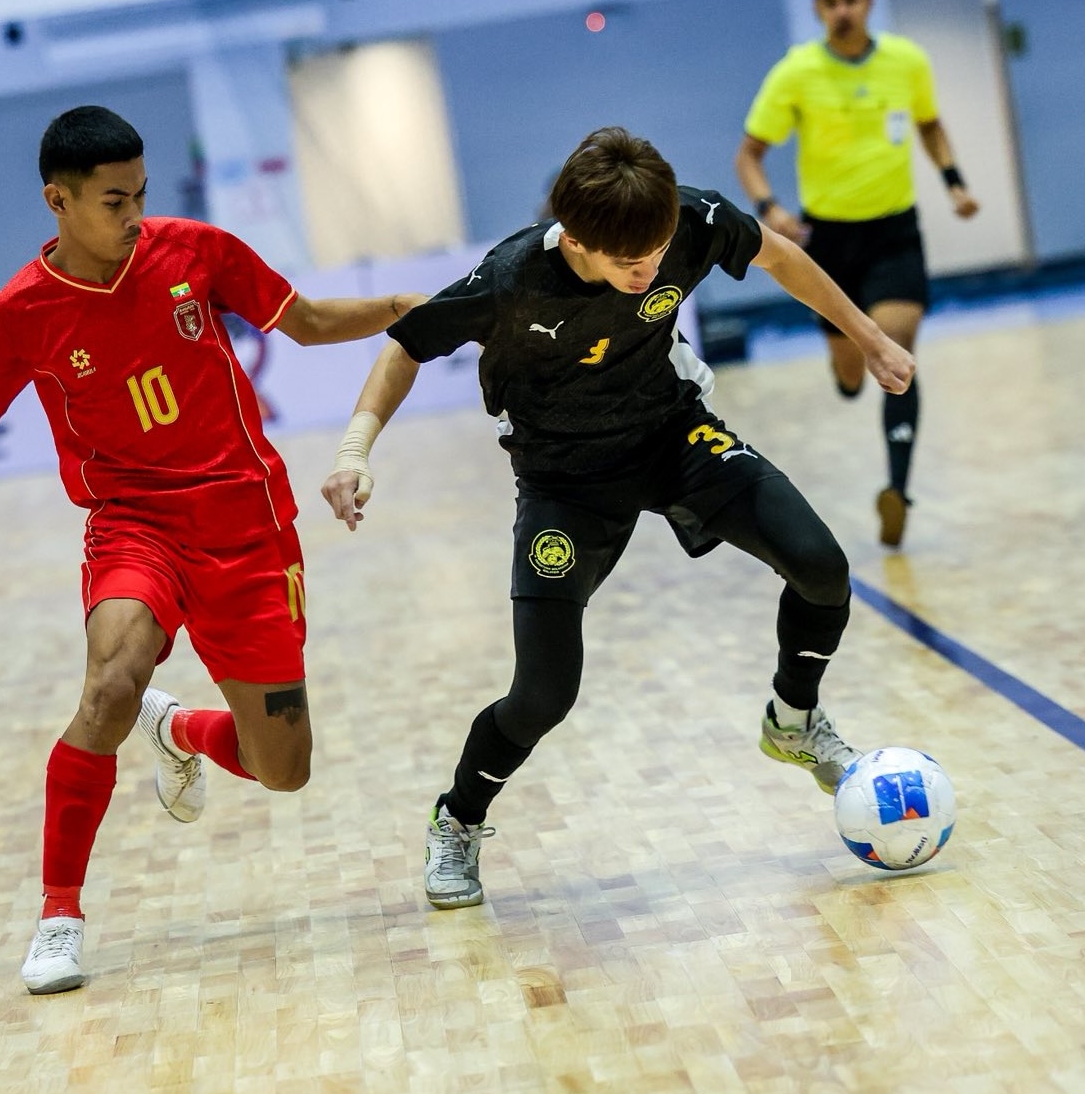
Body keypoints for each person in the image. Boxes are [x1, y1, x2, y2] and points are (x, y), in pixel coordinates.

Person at [0, 105, 421, 993]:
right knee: (108, 686)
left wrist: (403, 309)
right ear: (58, 201)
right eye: (114, 201)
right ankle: (60, 915)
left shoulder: (196, 252)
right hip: (135, 526)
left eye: (140, 193)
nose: (135, 214)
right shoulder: (18, 314)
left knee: (283, 770)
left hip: (249, 529)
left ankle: (175, 728)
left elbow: (304, 320)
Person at [320, 127, 914, 909]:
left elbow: (779, 256)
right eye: (629, 262)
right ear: (574, 239)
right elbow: (404, 347)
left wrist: (868, 337)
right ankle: (457, 819)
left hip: (672, 436)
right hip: (564, 480)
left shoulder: (692, 221)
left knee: (821, 567)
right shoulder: (510, 279)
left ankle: (794, 718)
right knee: (544, 693)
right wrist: (355, 452)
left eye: (658, 254)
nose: (648, 272)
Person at [734, 0, 980, 546]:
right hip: (830, 242)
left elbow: (929, 124)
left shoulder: (907, 61)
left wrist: (954, 182)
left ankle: (897, 490)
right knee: (852, 372)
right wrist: (771, 208)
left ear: (868, 1)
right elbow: (749, 154)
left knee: (895, 349)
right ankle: (844, 372)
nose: (842, 10)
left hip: (895, 232)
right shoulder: (796, 73)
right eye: (830, 2)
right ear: (818, 9)